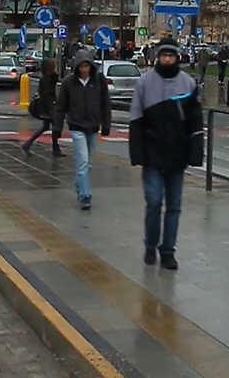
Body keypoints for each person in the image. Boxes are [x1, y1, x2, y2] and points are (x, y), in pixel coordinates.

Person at [129, 37, 203, 270]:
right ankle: (150, 244)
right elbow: (135, 118)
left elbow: (195, 121)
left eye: (171, 56)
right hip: (152, 152)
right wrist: (137, 151)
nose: (167, 59)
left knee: (174, 205)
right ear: (157, 57)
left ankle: (168, 250)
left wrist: (195, 151)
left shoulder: (188, 84)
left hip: (177, 153)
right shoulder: (144, 83)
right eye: (164, 55)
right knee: (153, 201)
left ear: (177, 57)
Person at [54, 49, 111, 210]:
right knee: (83, 162)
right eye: (81, 66)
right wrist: (57, 128)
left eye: (87, 66)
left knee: (87, 164)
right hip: (76, 126)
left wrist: (106, 124)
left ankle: (79, 185)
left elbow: (106, 104)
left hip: (93, 126)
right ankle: (85, 195)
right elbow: (61, 107)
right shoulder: (68, 83)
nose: (84, 70)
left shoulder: (98, 81)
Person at [22, 58, 64, 157]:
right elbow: (46, 95)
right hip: (46, 108)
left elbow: (55, 82)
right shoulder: (44, 79)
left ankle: (28, 144)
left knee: (48, 126)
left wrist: (55, 75)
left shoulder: (49, 78)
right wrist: (51, 108)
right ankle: (55, 148)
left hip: (48, 106)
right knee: (53, 126)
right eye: (53, 66)